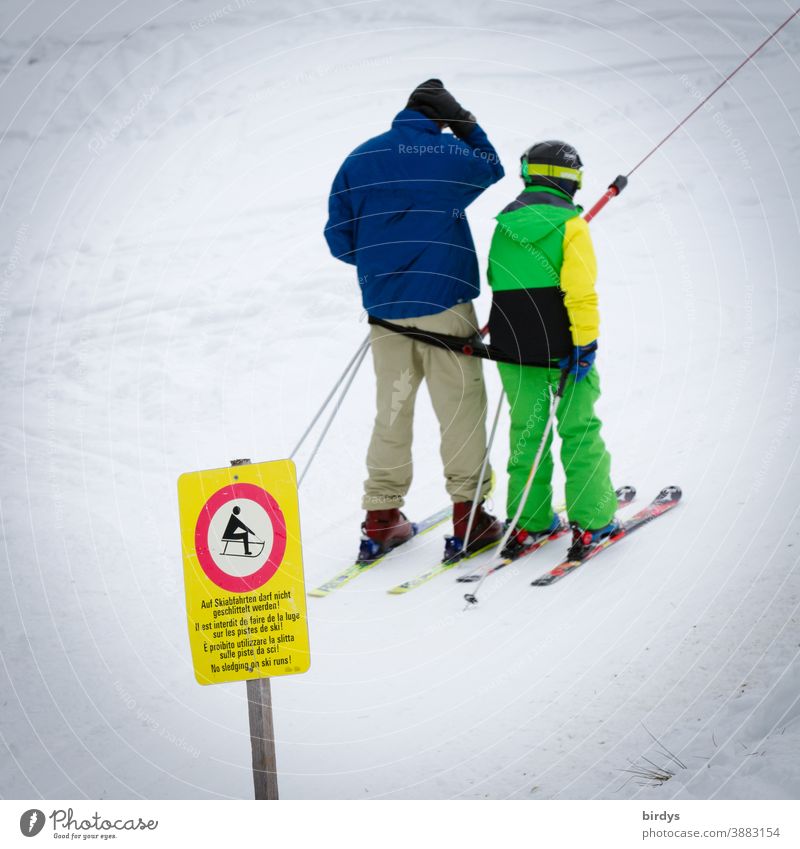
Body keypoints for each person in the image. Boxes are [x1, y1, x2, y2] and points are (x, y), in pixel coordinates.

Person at [324, 79, 505, 562]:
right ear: (443, 116)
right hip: (445, 303)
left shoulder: (359, 158)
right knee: (460, 408)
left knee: (392, 409)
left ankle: (381, 517)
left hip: (386, 313)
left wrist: (385, 266)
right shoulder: (446, 151)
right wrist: (466, 124)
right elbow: (492, 166)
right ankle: (469, 516)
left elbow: (339, 239)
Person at [486, 140, 620, 561]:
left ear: (529, 173)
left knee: (528, 435)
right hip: (565, 352)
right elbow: (580, 293)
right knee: (578, 431)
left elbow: (494, 276)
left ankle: (530, 522)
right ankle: (594, 522)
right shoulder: (572, 226)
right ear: (571, 179)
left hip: (513, 349)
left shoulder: (503, 225)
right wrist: (585, 344)